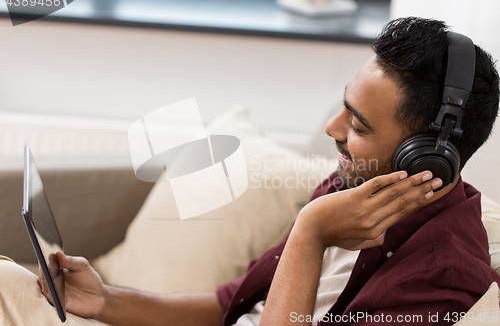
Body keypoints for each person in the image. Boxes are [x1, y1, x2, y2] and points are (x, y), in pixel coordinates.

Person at [3, 16, 500, 325]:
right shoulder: (352, 184)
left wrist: (311, 234)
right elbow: (230, 307)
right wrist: (108, 301)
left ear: (427, 158)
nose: (332, 128)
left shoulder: (440, 279)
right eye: (343, 106)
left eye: (359, 125)